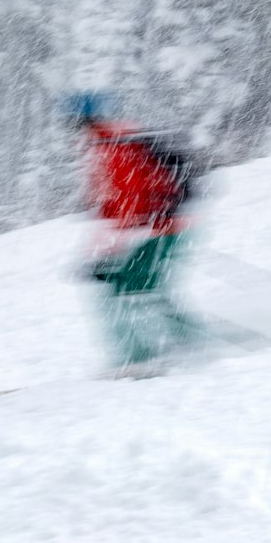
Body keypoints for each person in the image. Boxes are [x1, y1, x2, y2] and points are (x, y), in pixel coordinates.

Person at [63, 93, 205, 376]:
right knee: (146, 289)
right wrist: (102, 252)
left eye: (75, 123)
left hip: (162, 229)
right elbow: (112, 208)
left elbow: (127, 204)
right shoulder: (117, 140)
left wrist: (105, 254)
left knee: (121, 291)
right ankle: (191, 343)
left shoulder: (111, 147)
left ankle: (137, 359)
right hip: (171, 227)